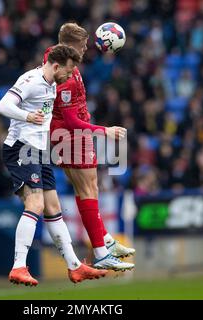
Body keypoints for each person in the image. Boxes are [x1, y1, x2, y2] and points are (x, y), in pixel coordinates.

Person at [0, 44, 107, 286]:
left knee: (53, 206)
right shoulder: (31, 80)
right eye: (68, 72)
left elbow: (48, 119)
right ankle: (19, 266)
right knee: (35, 203)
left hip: (40, 150)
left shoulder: (53, 84)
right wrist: (26, 116)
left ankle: (75, 266)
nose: (70, 77)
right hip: (21, 148)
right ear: (56, 66)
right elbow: (2, 105)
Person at [43, 23, 135, 271]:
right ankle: (101, 252)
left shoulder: (55, 57)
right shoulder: (66, 77)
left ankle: (103, 239)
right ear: (71, 45)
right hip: (70, 135)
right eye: (82, 45)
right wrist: (106, 131)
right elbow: (72, 121)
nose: (86, 49)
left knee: (90, 186)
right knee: (86, 189)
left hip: (71, 134)